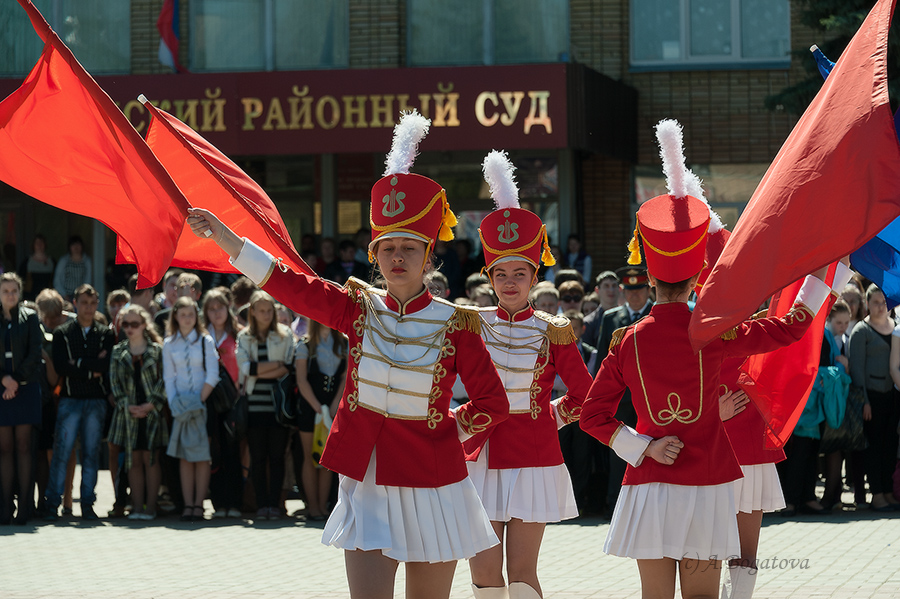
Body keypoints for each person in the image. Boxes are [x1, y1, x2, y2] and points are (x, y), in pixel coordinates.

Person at [186, 110, 508, 599]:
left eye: (409, 248)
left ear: (429, 256)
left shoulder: (456, 321)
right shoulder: (357, 306)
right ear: (374, 256)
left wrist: (446, 426)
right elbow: (293, 287)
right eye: (387, 248)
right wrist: (227, 239)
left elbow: (492, 403)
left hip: (434, 476)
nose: (397, 258)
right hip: (370, 472)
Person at [579, 120, 845, 599]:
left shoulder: (625, 340)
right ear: (698, 276)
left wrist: (643, 447)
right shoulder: (716, 333)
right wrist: (824, 277)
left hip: (648, 484)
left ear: (651, 279)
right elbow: (787, 327)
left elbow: (591, 415)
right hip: (707, 487)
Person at [465, 151, 593, 599]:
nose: (510, 282)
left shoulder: (554, 329)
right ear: (491, 276)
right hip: (479, 452)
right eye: (501, 274)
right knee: (483, 574)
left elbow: (586, 395)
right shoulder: (471, 322)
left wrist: (551, 416)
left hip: (533, 456)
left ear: (534, 275)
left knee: (521, 575)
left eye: (520, 273)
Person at [44, 284, 116, 521]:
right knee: (62, 453)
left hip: (95, 401)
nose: (88, 307)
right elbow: (62, 366)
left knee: (91, 454)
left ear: (97, 304)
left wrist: (80, 363)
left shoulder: (105, 333)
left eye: (93, 303)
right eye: (84, 303)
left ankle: (87, 505)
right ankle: (52, 505)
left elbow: (104, 367)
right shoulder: (62, 333)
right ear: (75, 303)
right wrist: (90, 366)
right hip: (70, 400)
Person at [236, 290, 296, 520]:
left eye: (269, 310)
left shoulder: (285, 335)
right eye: (261, 310)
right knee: (258, 458)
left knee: (277, 457)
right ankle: (262, 505)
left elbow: (287, 367)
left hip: (277, 406)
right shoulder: (245, 338)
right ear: (252, 311)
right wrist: (275, 365)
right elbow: (246, 369)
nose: (266, 314)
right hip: (254, 407)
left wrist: (261, 369)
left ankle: (275, 505)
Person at [107, 305, 168, 520]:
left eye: (134, 324)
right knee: (133, 459)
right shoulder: (118, 351)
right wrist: (126, 405)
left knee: (151, 459)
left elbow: (165, 380)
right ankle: (137, 509)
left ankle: (150, 508)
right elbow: (114, 382)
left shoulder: (157, 350)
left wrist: (152, 404)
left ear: (144, 325)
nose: (130, 328)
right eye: (125, 324)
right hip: (128, 413)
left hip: (152, 412)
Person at [163, 296, 219, 522]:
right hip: (180, 407)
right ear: (175, 316)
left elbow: (213, 375)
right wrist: (175, 404)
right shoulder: (169, 344)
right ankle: (188, 505)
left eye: (191, 314)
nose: (187, 319)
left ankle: (199, 505)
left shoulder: (205, 341)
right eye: (182, 314)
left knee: (202, 456)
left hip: (202, 404)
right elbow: (169, 376)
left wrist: (198, 401)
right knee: (185, 456)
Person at [849, 284, 900, 511]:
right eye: (876, 302)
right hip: (872, 397)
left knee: (890, 445)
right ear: (867, 303)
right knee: (874, 447)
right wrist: (865, 401)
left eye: (884, 303)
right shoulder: (862, 331)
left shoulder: (896, 327)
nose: (881, 307)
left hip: (893, 396)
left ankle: (888, 491)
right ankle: (876, 493)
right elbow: (857, 369)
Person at [0, 273, 43, 524]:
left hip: (25, 388)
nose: (10, 295)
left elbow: (35, 352)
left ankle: (25, 507)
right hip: (2, 388)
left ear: (20, 291)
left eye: (14, 290)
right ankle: (5, 507)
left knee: (24, 446)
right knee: (4, 449)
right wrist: (4, 379)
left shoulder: (30, 317)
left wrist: (15, 379)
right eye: (5, 291)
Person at [294, 318, 347, 521]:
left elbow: (345, 376)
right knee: (310, 456)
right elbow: (301, 379)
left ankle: (324, 508)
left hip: (334, 407)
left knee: (327, 459)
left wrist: (333, 406)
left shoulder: (344, 343)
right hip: (310, 407)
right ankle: (313, 507)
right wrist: (318, 408)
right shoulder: (305, 345)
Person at [201, 289, 243, 519]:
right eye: (211, 308)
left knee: (233, 452)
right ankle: (218, 503)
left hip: (233, 402)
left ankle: (234, 502)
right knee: (213, 452)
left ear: (228, 309)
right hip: (207, 401)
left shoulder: (238, 335)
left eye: (220, 307)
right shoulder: (201, 336)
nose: (216, 313)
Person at [53, 236, 92, 300]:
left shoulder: (86, 261)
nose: (76, 247)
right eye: (73, 245)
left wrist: (83, 293)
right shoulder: (64, 260)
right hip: (65, 296)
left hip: (81, 296)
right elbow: (58, 279)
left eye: (78, 244)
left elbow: (88, 278)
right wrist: (63, 294)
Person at [18, 234, 54, 301]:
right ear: (33, 245)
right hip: (30, 297)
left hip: (48, 297)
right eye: (37, 243)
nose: (39, 245)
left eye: (41, 243)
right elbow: (21, 280)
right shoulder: (27, 262)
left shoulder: (52, 262)